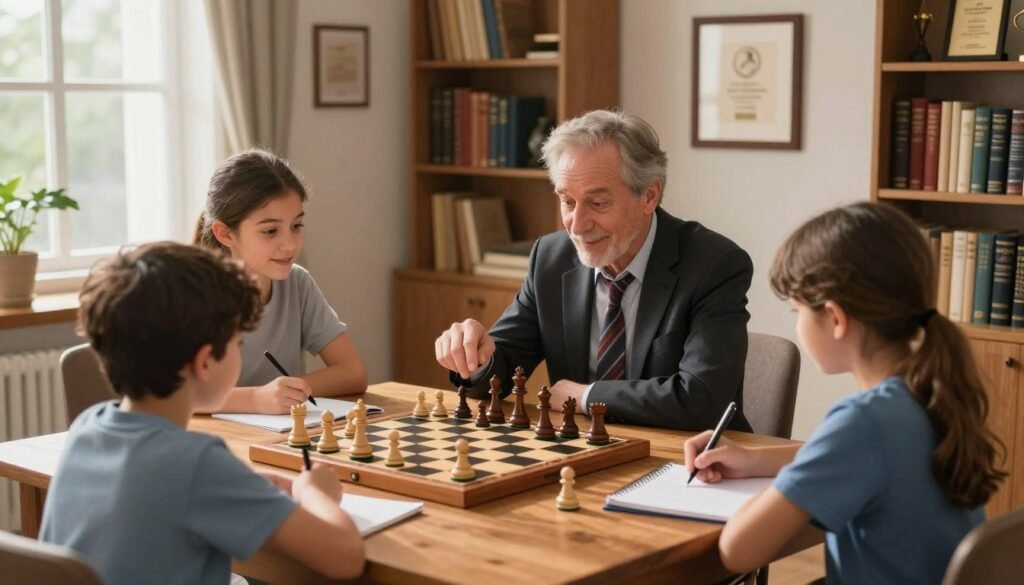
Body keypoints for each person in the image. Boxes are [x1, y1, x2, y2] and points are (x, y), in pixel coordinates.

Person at [683, 203, 1007, 583]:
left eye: (797, 311)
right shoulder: (927, 394)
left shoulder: (863, 421)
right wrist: (753, 460)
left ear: (836, 318)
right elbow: (850, 455)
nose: (798, 325)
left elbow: (738, 551)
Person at [39, 242, 365, 585]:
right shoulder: (197, 465)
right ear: (205, 362)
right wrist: (314, 492)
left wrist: (239, 486)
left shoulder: (87, 429)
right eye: (238, 344)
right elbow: (345, 558)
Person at [435, 110, 754, 430]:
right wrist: (475, 357)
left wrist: (588, 397)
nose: (578, 225)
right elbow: (501, 371)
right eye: (567, 202)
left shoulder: (714, 265)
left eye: (598, 203)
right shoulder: (551, 258)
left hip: (690, 461)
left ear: (649, 195)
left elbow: (702, 400)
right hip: (582, 452)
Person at [194, 149, 367, 414]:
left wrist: (284, 391)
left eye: (296, 226)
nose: (289, 244)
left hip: (280, 438)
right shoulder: (192, 295)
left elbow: (353, 372)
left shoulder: (297, 283)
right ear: (225, 233)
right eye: (270, 231)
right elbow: (169, 397)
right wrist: (254, 399)